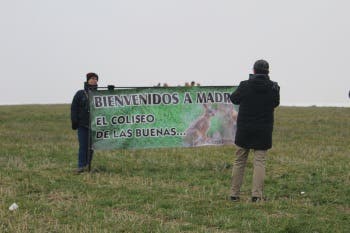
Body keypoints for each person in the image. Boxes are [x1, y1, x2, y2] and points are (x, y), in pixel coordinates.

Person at [229, 60, 280, 202]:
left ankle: (234, 194)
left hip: (245, 129)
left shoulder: (245, 85)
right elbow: (275, 103)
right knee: (260, 162)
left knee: (239, 161)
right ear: (268, 71)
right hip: (263, 130)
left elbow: (234, 99)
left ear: (254, 70)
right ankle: (256, 196)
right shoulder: (273, 87)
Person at [71, 72, 98, 173]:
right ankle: (81, 166)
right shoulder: (80, 93)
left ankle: (88, 166)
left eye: (95, 79)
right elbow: (74, 108)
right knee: (83, 146)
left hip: (94, 125)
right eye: (92, 78)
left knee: (91, 147)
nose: (94, 80)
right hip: (82, 125)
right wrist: (75, 121)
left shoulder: (99, 94)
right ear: (87, 80)